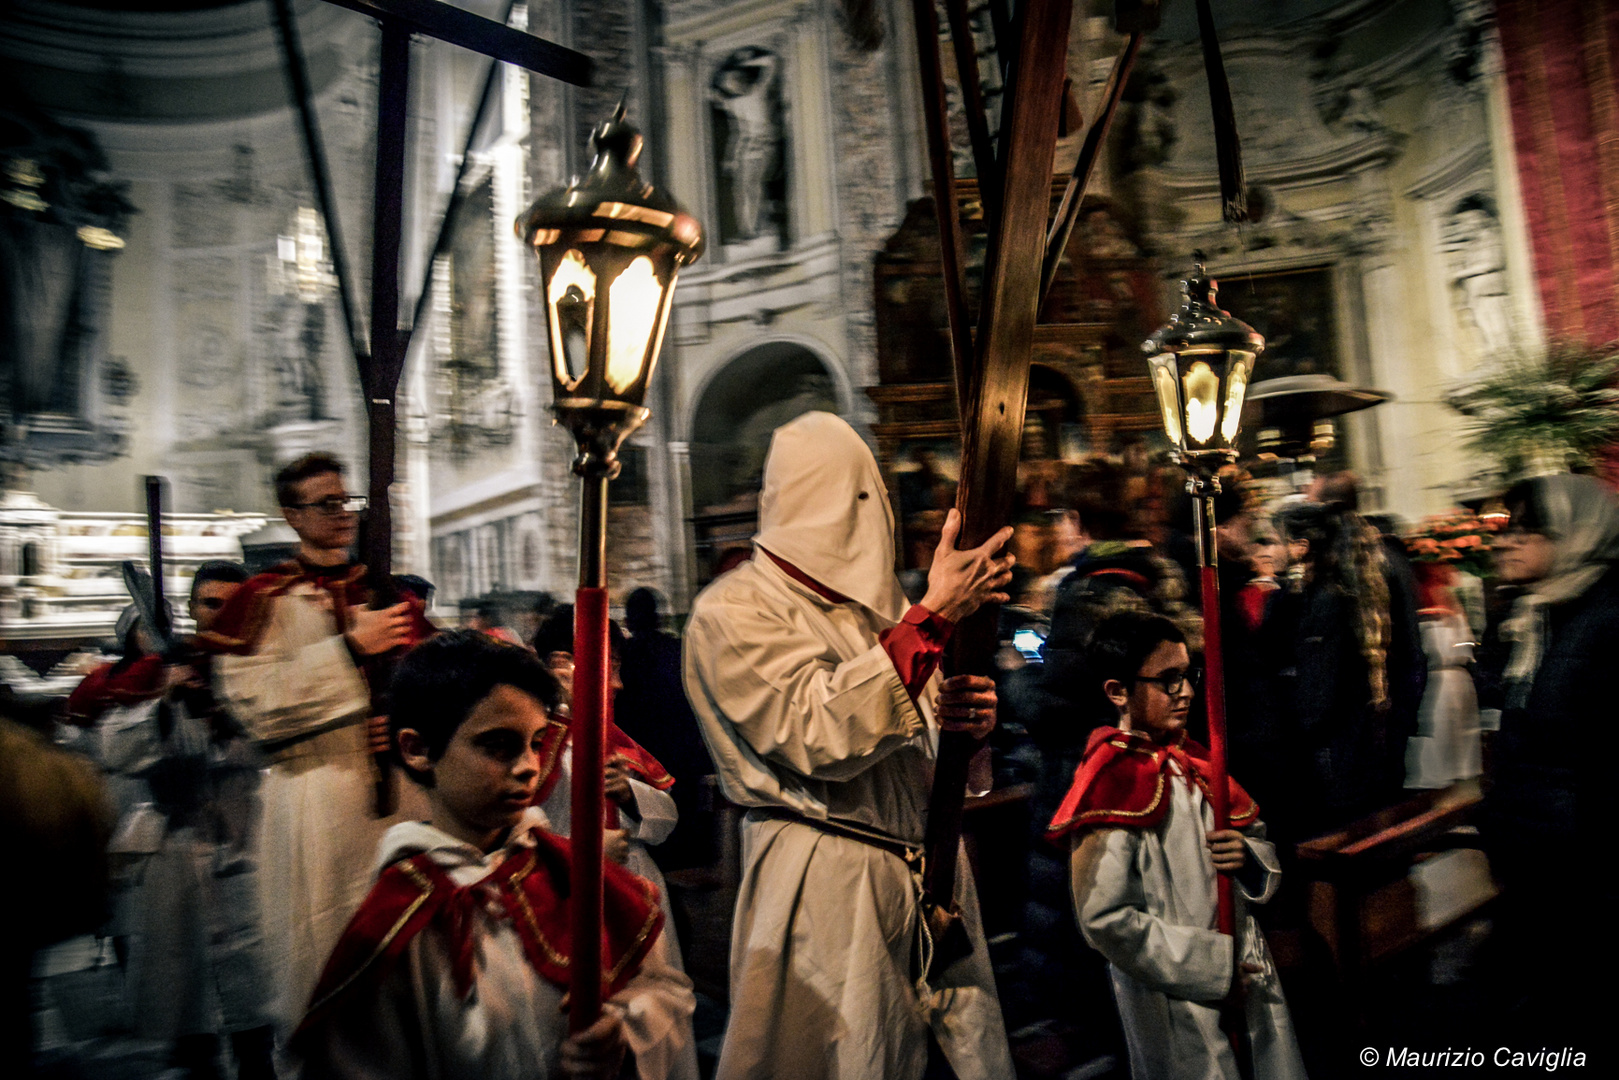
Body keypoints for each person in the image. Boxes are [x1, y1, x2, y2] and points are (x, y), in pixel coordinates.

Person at [682, 411, 1017, 1080]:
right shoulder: (733, 610)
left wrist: (968, 737)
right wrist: (934, 617)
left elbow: (916, 759)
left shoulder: (882, 612)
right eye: (859, 496)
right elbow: (819, 732)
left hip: (926, 874)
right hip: (826, 881)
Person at [295, 631, 696, 1079]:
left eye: (536, 742)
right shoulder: (395, 921)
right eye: (497, 746)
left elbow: (665, 988)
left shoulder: (574, 877)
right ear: (418, 749)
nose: (527, 765)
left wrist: (623, 1028)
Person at [198, 453, 434, 1036]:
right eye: (325, 504)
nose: (341, 514)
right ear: (291, 514)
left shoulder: (381, 589)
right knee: (324, 957)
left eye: (345, 501)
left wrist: (401, 718)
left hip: (398, 797)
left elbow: (429, 678)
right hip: (312, 795)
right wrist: (350, 651)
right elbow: (255, 704)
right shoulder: (264, 600)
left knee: (409, 965)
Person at [1047, 610, 1306, 1080]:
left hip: (1248, 971)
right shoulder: (1111, 783)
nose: (1185, 692)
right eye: (1167, 680)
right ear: (1117, 691)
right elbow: (1104, 919)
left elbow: (1258, 840)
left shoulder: (1199, 762)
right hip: (1178, 993)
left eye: (1187, 675)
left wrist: (1248, 858)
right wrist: (1214, 969)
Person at [1480, 474, 1619, 1037]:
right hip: (1540, 859)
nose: (1506, 543)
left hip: (1585, 873)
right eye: (1507, 531)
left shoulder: (1606, 619)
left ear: (1576, 535)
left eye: (1528, 531)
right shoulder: (1538, 613)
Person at [617, 587, 716, 871]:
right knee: (683, 808)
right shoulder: (677, 649)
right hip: (681, 745)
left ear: (630, 620)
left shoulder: (626, 655)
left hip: (643, 750)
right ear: (657, 617)